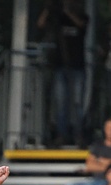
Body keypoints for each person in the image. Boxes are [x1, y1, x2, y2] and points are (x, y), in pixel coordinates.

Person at [37, 0, 89, 146]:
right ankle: (62, 134)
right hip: (60, 65)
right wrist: (48, 9)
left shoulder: (83, 16)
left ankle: (79, 134)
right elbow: (40, 25)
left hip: (78, 65)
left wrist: (68, 12)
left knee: (78, 102)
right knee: (61, 103)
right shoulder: (57, 18)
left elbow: (81, 25)